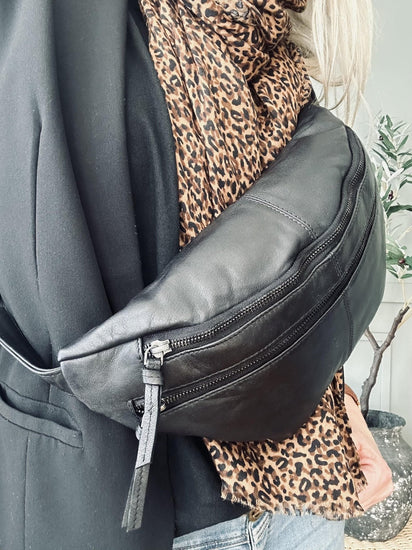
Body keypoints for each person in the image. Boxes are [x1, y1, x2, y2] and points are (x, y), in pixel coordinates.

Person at [0, 1, 393, 549]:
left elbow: (280, 276)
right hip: (126, 510)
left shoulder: (274, 36)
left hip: (304, 503)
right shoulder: (60, 19)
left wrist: (331, 399)